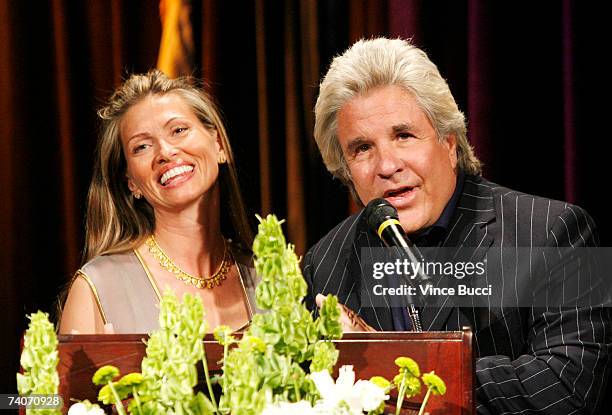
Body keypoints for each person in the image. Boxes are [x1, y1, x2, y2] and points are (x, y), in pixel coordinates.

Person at [303, 38, 611, 414]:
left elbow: (567, 387)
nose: (386, 165)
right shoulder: (324, 263)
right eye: (362, 148)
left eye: (404, 135)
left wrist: (396, 367)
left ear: (449, 143)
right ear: (345, 168)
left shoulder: (556, 232)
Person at [60, 70, 257, 334]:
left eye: (178, 130)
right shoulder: (96, 289)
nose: (165, 152)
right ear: (131, 181)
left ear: (219, 144)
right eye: (141, 147)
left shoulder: (269, 278)